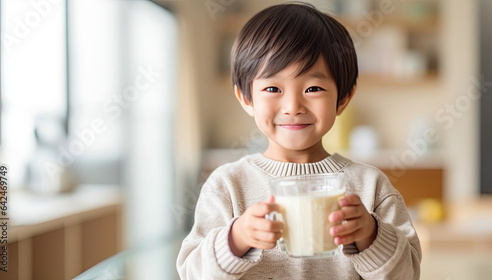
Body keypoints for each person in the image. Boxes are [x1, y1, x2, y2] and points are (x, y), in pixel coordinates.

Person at [176, 3, 421, 279]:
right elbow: (192, 273)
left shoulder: (370, 187)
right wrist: (236, 238)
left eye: (313, 88)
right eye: (272, 88)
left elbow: (408, 273)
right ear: (247, 98)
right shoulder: (227, 186)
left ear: (343, 99)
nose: (293, 106)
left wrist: (372, 235)